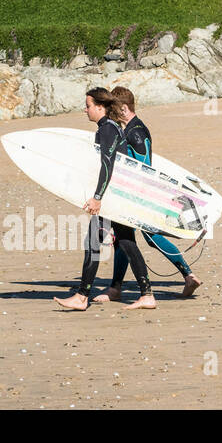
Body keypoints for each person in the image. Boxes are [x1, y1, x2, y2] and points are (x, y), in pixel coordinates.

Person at [55, 88, 155, 310]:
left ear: (100, 107)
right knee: (127, 243)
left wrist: (98, 197)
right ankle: (147, 295)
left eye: (88, 105)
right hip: (118, 196)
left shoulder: (108, 129)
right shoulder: (109, 128)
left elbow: (108, 164)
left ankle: (82, 296)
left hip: (113, 197)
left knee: (93, 241)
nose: (86, 109)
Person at [104, 87, 202, 300]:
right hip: (137, 193)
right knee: (126, 238)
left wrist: (136, 196)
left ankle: (187, 274)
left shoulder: (135, 131)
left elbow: (144, 166)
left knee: (143, 237)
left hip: (138, 194)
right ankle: (115, 288)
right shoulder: (132, 128)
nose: (109, 112)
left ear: (123, 108)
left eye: (112, 108)